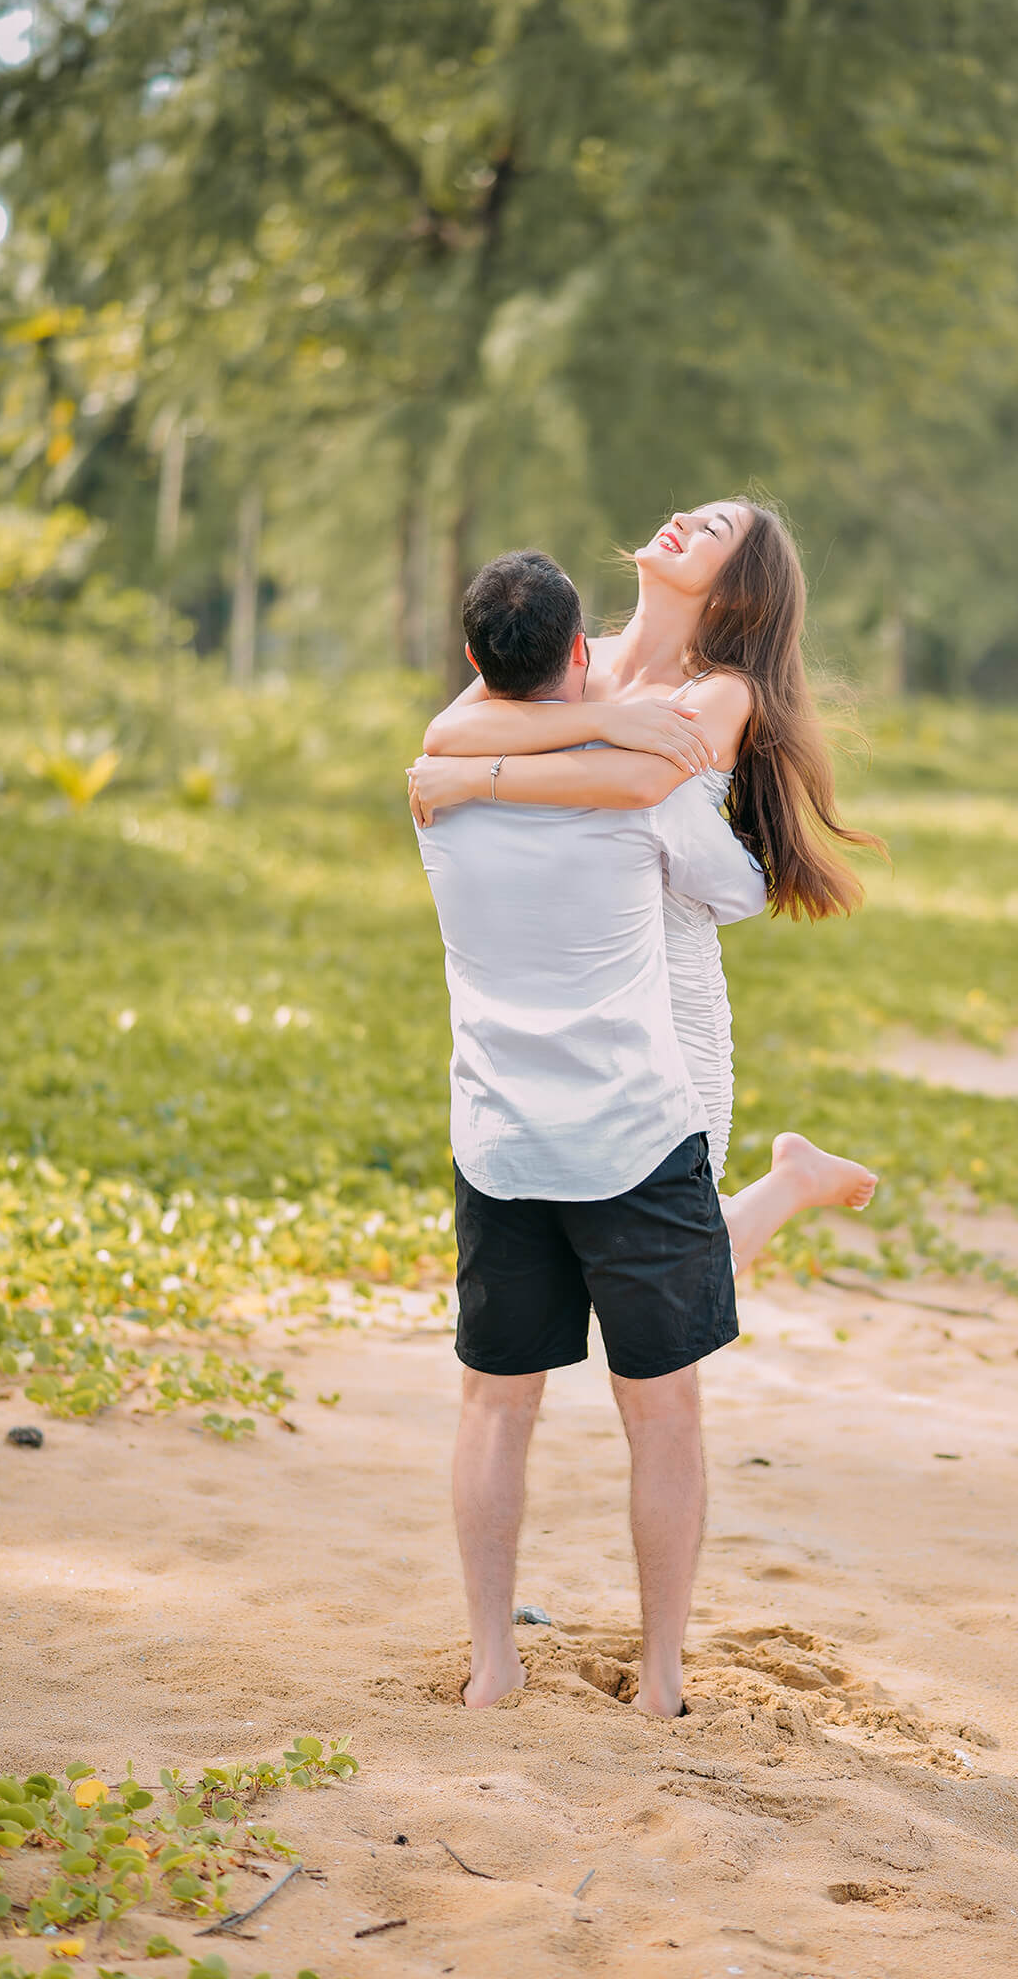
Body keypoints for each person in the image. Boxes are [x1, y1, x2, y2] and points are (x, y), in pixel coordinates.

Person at [415, 548, 769, 1719]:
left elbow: (450, 742)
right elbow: (733, 890)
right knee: (660, 1412)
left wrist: (510, 769)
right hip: (632, 1138)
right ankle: (660, 1675)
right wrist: (624, 739)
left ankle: (490, 1662)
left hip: (499, 1145)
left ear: (475, 661)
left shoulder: (435, 787)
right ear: (581, 652)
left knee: (493, 1405)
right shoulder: (641, 789)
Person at [408, 496, 882, 1272]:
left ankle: (789, 1185)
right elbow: (445, 734)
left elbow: (632, 788)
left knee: (668, 1263)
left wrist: (479, 780)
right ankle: (791, 1177)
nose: (682, 525)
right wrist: (610, 719)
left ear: (735, 593)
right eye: (689, 515)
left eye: (710, 533)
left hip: (664, 992)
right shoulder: (574, 656)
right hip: (571, 979)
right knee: (601, 1244)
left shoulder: (723, 692)